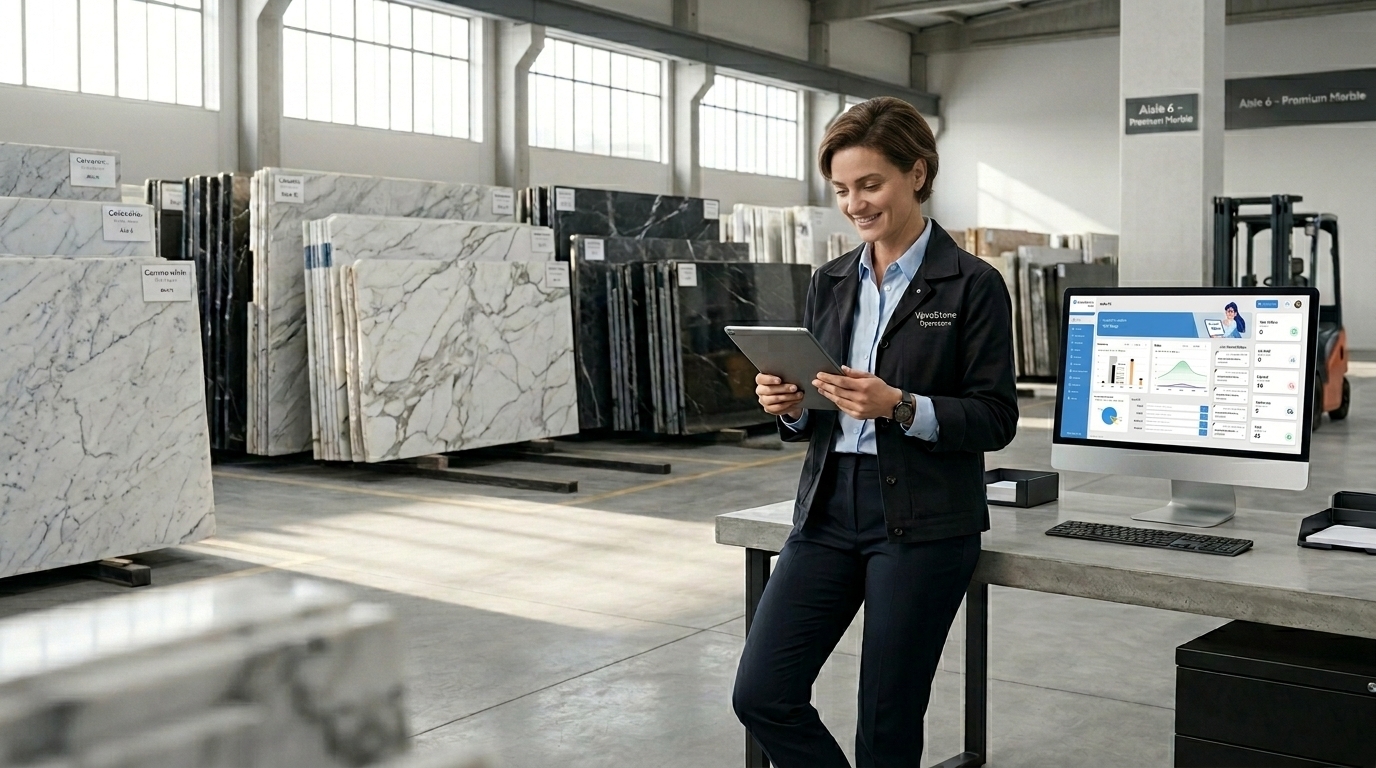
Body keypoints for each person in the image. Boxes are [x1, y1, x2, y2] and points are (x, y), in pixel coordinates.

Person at [731, 96, 1019, 767]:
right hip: (828, 511)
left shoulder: (972, 285)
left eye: (870, 184)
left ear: (917, 174)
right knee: (762, 692)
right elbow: (815, 413)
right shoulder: (830, 282)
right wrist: (790, 404)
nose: (856, 204)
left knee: (886, 725)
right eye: (841, 190)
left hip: (922, 519)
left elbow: (997, 418)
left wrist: (900, 405)